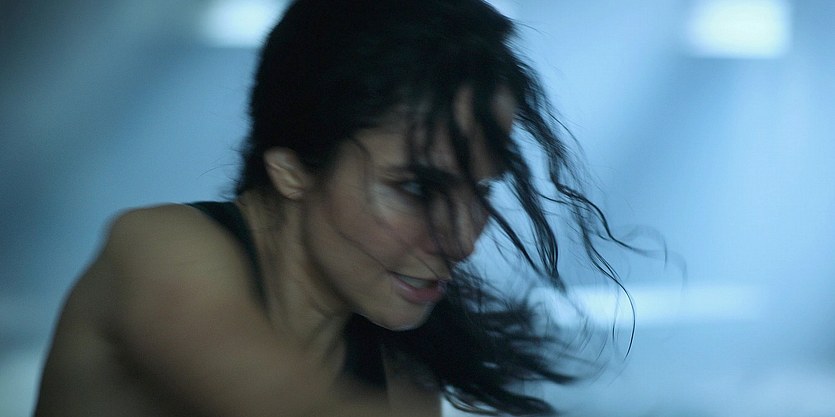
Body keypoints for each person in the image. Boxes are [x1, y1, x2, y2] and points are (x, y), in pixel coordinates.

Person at [34, 0, 639, 416]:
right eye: (417, 189)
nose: (462, 240)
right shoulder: (160, 247)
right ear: (291, 168)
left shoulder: (402, 382)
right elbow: (279, 401)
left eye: (480, 190)